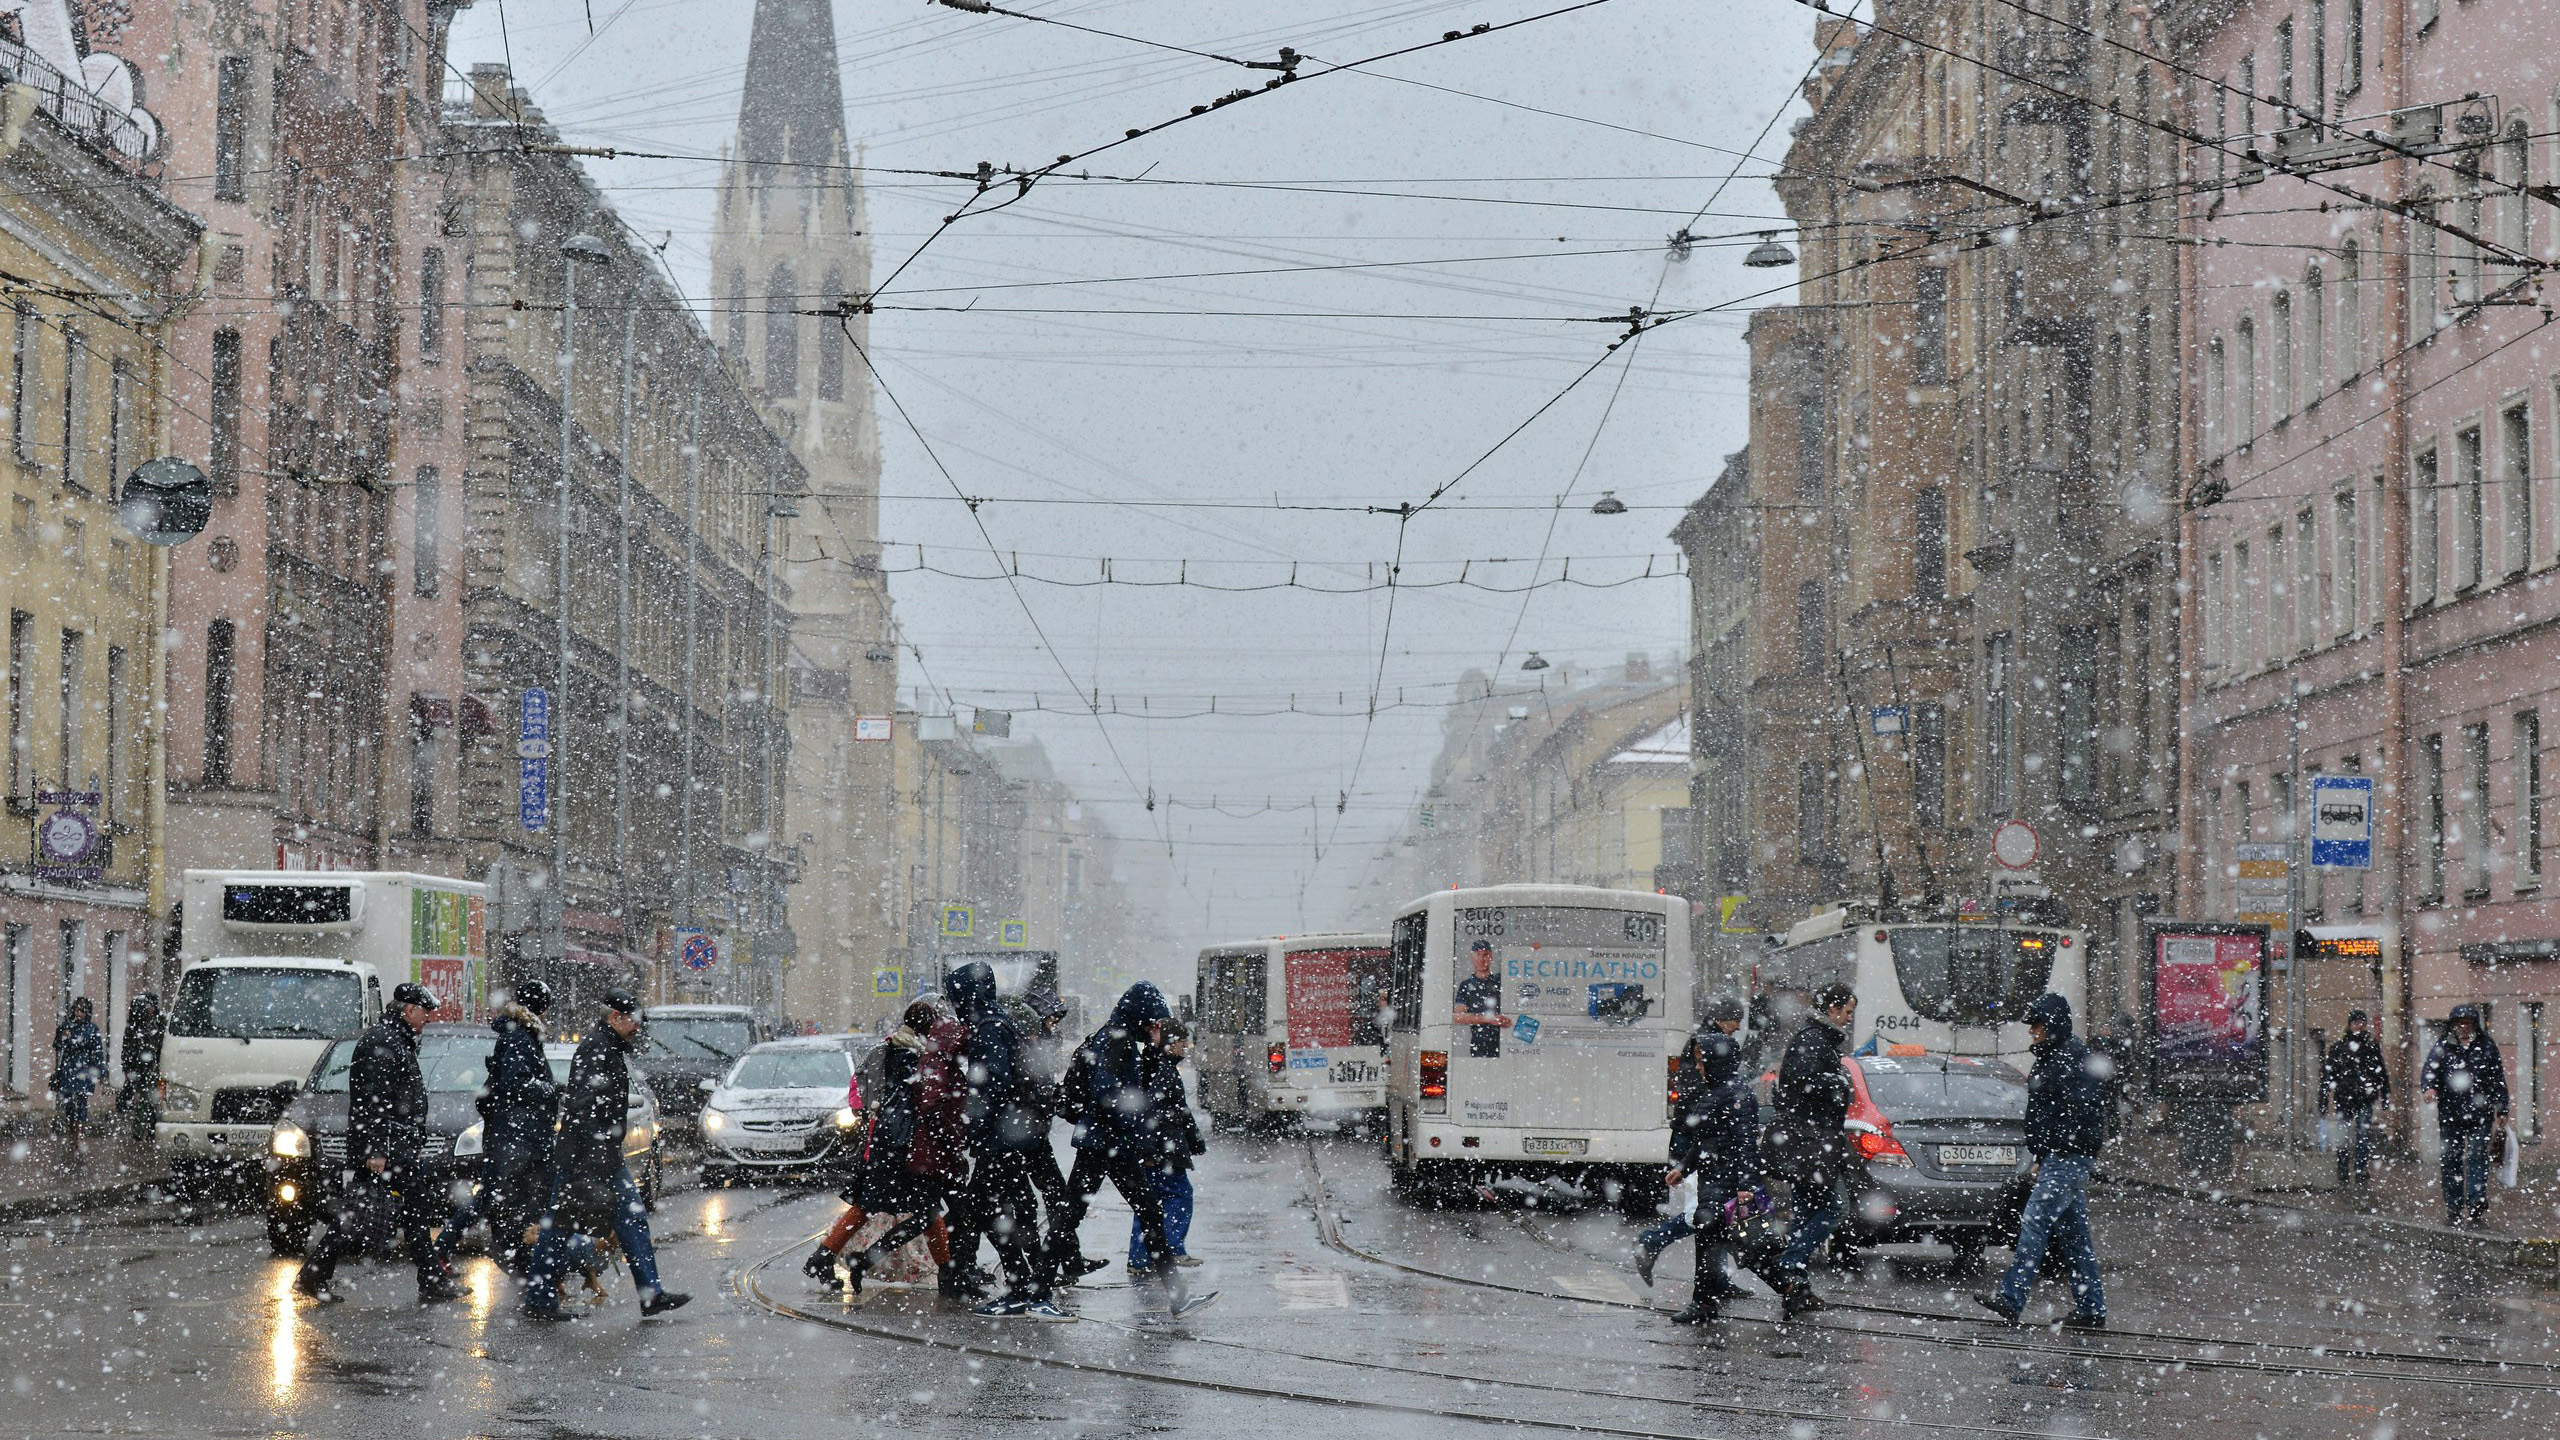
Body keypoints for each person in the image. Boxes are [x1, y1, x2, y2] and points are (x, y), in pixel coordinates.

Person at [522, 989, 690, 1321]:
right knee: (559, 1227)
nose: (638, 1027)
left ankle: (650, 1293)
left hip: (600, 1156)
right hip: (585, 1158)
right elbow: (583, 1109)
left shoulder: (608, 1049)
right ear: (614, 1017)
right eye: (634, 1021)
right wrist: (593, 1158)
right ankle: (540, 1299)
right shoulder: (596, 1051)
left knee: (631, 1219)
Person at [296, 984, 466, 1305]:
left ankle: (315, 1274)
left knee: (381, 1212)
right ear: (409, 1010)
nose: (428, 1018)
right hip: (388, 1146)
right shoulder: (382, 1042)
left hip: (396, 1143)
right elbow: (373, 1102)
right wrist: (376, 1150)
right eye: (424, 1012)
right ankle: (430, 1281)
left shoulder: (395, 1040)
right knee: (394, 1212)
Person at [1043, 982, 1193, 1311]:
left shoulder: (1120, 1037)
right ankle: (1036, 1292)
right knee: (1073, 1215)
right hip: (1105, 1142)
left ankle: (1178, 1295)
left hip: (1108, 1142)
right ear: (1141, 1016)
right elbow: (1107, 1091)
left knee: (1147, 1210)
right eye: (1154, 1023)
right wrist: (1132, 1120)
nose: (1157, 1030)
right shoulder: (1118, 1040)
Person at [824, 998, 975, 1299]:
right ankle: (858, 1259)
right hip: (905, 1149)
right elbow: (918, 1105)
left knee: (894, 1209)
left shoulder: (896, 1048)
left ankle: (827, 1258)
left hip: (894, 1146)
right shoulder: (911, 1057)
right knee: (919, 1211)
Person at [1977, 992, 2108, 1330]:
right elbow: (2051, 1114)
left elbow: (2083, 1114)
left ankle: (2012, 1298)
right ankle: (2091, 1307)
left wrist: (2056, 1149)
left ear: (2051, 1024)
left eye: (2036, 1023)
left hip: (2068, 1157)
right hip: (2060, 1157)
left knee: (2034, 1222)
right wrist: (2042, 1155)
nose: (2030, 1030)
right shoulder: (2055, 1056)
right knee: (2073, 1236)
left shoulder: (2071, 1058)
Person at [945, 961, 1068, 1320]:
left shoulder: (988, 1028)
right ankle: (1032, 1285)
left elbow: (993, 1084)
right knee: (1024, 1206)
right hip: (1022, 1132)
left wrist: (976, 1129)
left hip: (1003, 1138)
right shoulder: (1002, 1021)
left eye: (956, 996)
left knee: (982, 1209)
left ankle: (1023, 1288)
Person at [1665, 1029, 1777, 1324]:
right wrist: (1683, 1168)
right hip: (1715, 1179)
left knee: (1723, 1241)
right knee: (1733, 1243)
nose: (1699, 1067)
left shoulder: (1735, 1095)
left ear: (1718, 1062)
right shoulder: (1718, 1091)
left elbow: (1745, 1143)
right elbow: (1705, 1140)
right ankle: (1792, 1287)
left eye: (1704, 1062)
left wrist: (1745, 1185)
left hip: (1726, 1181)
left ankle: (1703, 1304)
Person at [1636, 994, 1748, 1286]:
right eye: (1734, 1024)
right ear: (1723, 1019)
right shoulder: (1708, 1050)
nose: (1735, 1030)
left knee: (1719, 1209)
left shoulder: (1704, 1045)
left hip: (1700, 1138)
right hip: (1701, 1140)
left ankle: (1718, 1280)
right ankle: (1652, 1241)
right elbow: (1700, 1099)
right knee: (1705, 1211)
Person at [448, 981, 559, 1269]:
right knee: (490, 1198)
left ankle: (519, 1254)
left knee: (517, 1197)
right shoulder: (520, 1037)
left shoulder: (522, 1034)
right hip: (515, 1135)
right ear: (538, 1008)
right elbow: (515, 1084)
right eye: (545, 1008)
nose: (547, 1015)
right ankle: (443, 1248)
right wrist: (549, 1089)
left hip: (518, 1134)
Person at [1768, 983, 1857, 1319]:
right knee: (1836, 1207)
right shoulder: (1812, 1039)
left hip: (1813, 1142)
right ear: (1832, 1009)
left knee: (1806, 1213)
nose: (1849, 1018)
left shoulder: (1817, 1038)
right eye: (1847, 1011)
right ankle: (1789, 1262)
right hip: (1812, 1144)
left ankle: (1797, 1289)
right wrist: (1840, 1082)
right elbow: (1802, 1083)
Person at [1129, 1018, 1208, 1273]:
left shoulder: (1157, 1066)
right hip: (1163, 1150)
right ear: (1170, 1043)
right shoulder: (1162, 1070)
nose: (1185, 1048)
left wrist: (1193, 1140)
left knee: (1148, 1203)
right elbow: (1153, 1113)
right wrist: (1150, 1151)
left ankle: (1139, 1259)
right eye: (1182, 1043)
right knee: (1178, 1195)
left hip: (1161, 1148)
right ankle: (1172, 1249)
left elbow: (1175, 1111)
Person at [2420, 1004, 2509, 1226]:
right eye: (2459, 1023)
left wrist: (2502, 1107)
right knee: (2451, 1160)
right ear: (2453, 1025)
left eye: (2467, 1023)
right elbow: (2430, 1070)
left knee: (2477, 1158)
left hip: (2481, 1113)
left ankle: (2476, 1206)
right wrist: (2429, 1087)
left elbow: (2497, 1078)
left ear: (2474, 1024)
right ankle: (2454, 1205)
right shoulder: (2444, 1046)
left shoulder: (2486, 1046)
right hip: (2451, 1113)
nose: (2463, 1027)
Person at [2321, 1009, 2392, 1190]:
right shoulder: (2340, 1046)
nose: (2358, 1025)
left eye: (2361, 1022)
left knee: (2362, 1136)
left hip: (2363, 1098)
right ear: (2350, 1024)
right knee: (2345, 1136)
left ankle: (2360, 1170)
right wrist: (2324, 1097)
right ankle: (2344, 1168)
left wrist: (2384, 1094)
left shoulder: (2370, 1046)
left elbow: (2381, 1071)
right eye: (2355, 1022)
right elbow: (2329, 1074)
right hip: (2345, 1098)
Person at [48, 998, 106, 1149]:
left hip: (84, 1071)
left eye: (81, 1011)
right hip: (68, 1069)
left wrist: (100, 1071)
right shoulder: (67, 1026)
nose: (78, 1013)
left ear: (87, 1012)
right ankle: (72, 1134)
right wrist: (64, 1036)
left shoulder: (92, 1029)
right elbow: (57, 1045)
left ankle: (79, 1137)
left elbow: (98, 1051)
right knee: (69, 1105)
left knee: (81, 1103)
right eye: (76, 1010)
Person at [116, 991, 164, 1141]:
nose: (151, 1009)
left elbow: (161, 1045)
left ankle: (145, 1130)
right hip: (139, 1068)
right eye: (148, 1006)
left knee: (149, 1099)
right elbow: (127, 1049)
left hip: (153, 1067)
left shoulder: (158, 1022)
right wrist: (128, 1067)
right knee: (145, 1099)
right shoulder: (134, 1027)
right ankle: (146, 1129)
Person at [1452, 940, 1511, 1058]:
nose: (1481, 959)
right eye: (1478, 954)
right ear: (1472, 957)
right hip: (1479, 1046)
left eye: (1485, 955)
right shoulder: (1466, 985)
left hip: (1507, 1045)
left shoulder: (1501, 981)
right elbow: (1458, 1017)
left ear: (1491, 957)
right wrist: (1489, 1019)